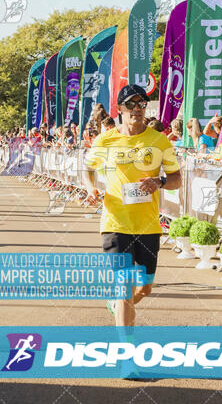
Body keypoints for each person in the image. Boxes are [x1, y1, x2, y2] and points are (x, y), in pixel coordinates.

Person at [84, 84, 181, 327]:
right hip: (115, 223)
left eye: (141, 104)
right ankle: (126, 356)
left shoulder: (159, 141)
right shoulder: (105, 140)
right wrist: (90, 188)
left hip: (148, 225)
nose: (136, 109)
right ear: (120, 109)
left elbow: (176, 178)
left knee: (145, 288)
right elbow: (88, 168)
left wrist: (158, 182)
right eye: (130, 104)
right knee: (124, 286)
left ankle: (117, 305)